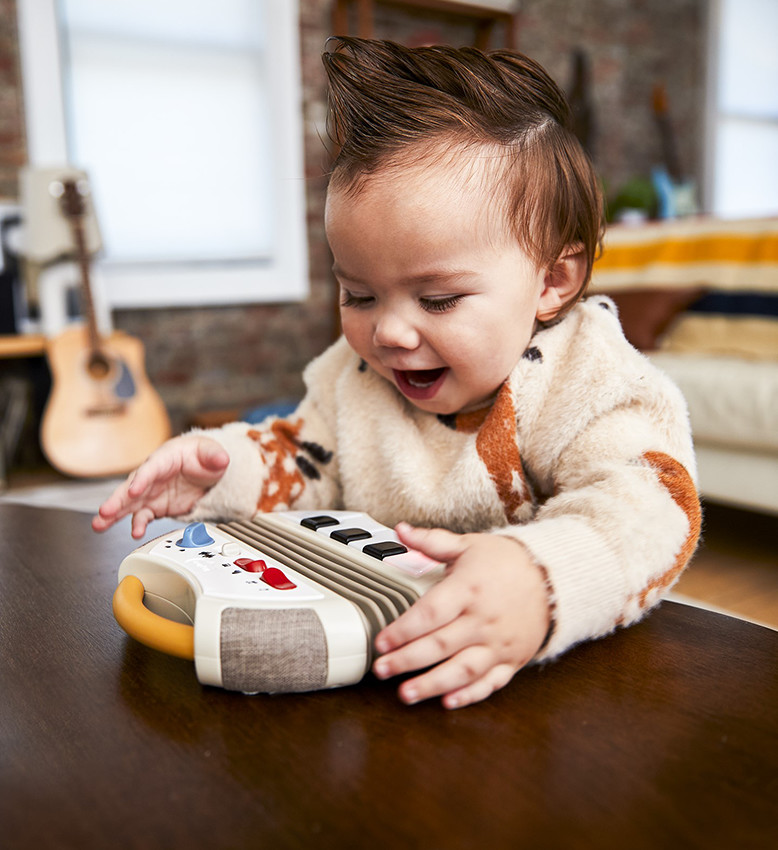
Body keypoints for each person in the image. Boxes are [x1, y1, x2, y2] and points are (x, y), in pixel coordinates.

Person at [94, 38, 701, 709]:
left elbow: (653, 509)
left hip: (539, 688)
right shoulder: (357, 375)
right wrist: (225, 469)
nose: (388, 333)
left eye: (437, 299)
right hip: (374, 649)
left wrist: (542, 577)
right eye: (358, 295)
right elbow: (303, 456)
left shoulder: (590, 380)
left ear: (552, 280)